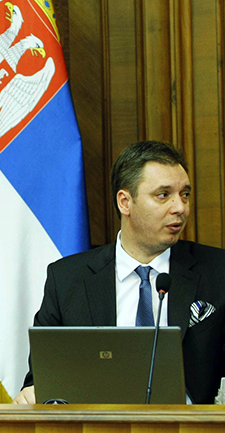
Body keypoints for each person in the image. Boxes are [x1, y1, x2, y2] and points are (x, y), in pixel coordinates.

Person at [14, 141, 225, 404]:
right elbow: (42, 379)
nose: (180, 207)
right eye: (163, 195)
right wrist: (32, 393)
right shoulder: (67, 279)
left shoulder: (218, 271)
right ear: (125, 202)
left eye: (185, 194)